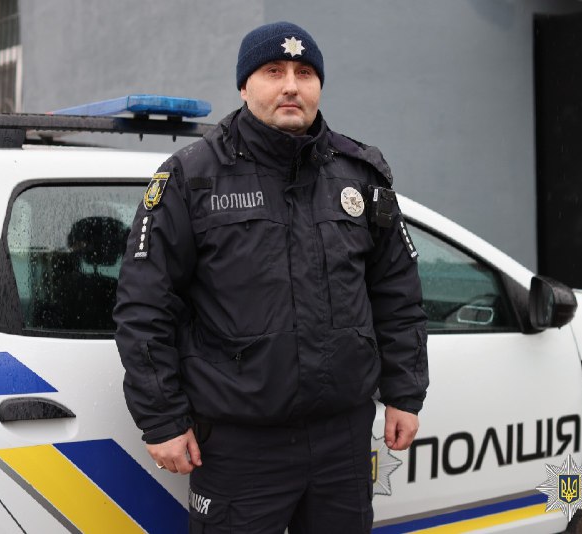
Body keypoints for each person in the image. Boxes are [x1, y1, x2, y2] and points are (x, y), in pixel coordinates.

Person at [114, 21, 428, 533]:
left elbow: (396, 292)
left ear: (319, 85)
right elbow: (144, 304)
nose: (290, 86)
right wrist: (163, 419)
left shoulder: (360, 174)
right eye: (273, 71)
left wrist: (404, 393)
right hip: (239, 446)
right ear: (244, 86)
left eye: (304, 73)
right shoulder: (193, 177)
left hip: (343, 442)